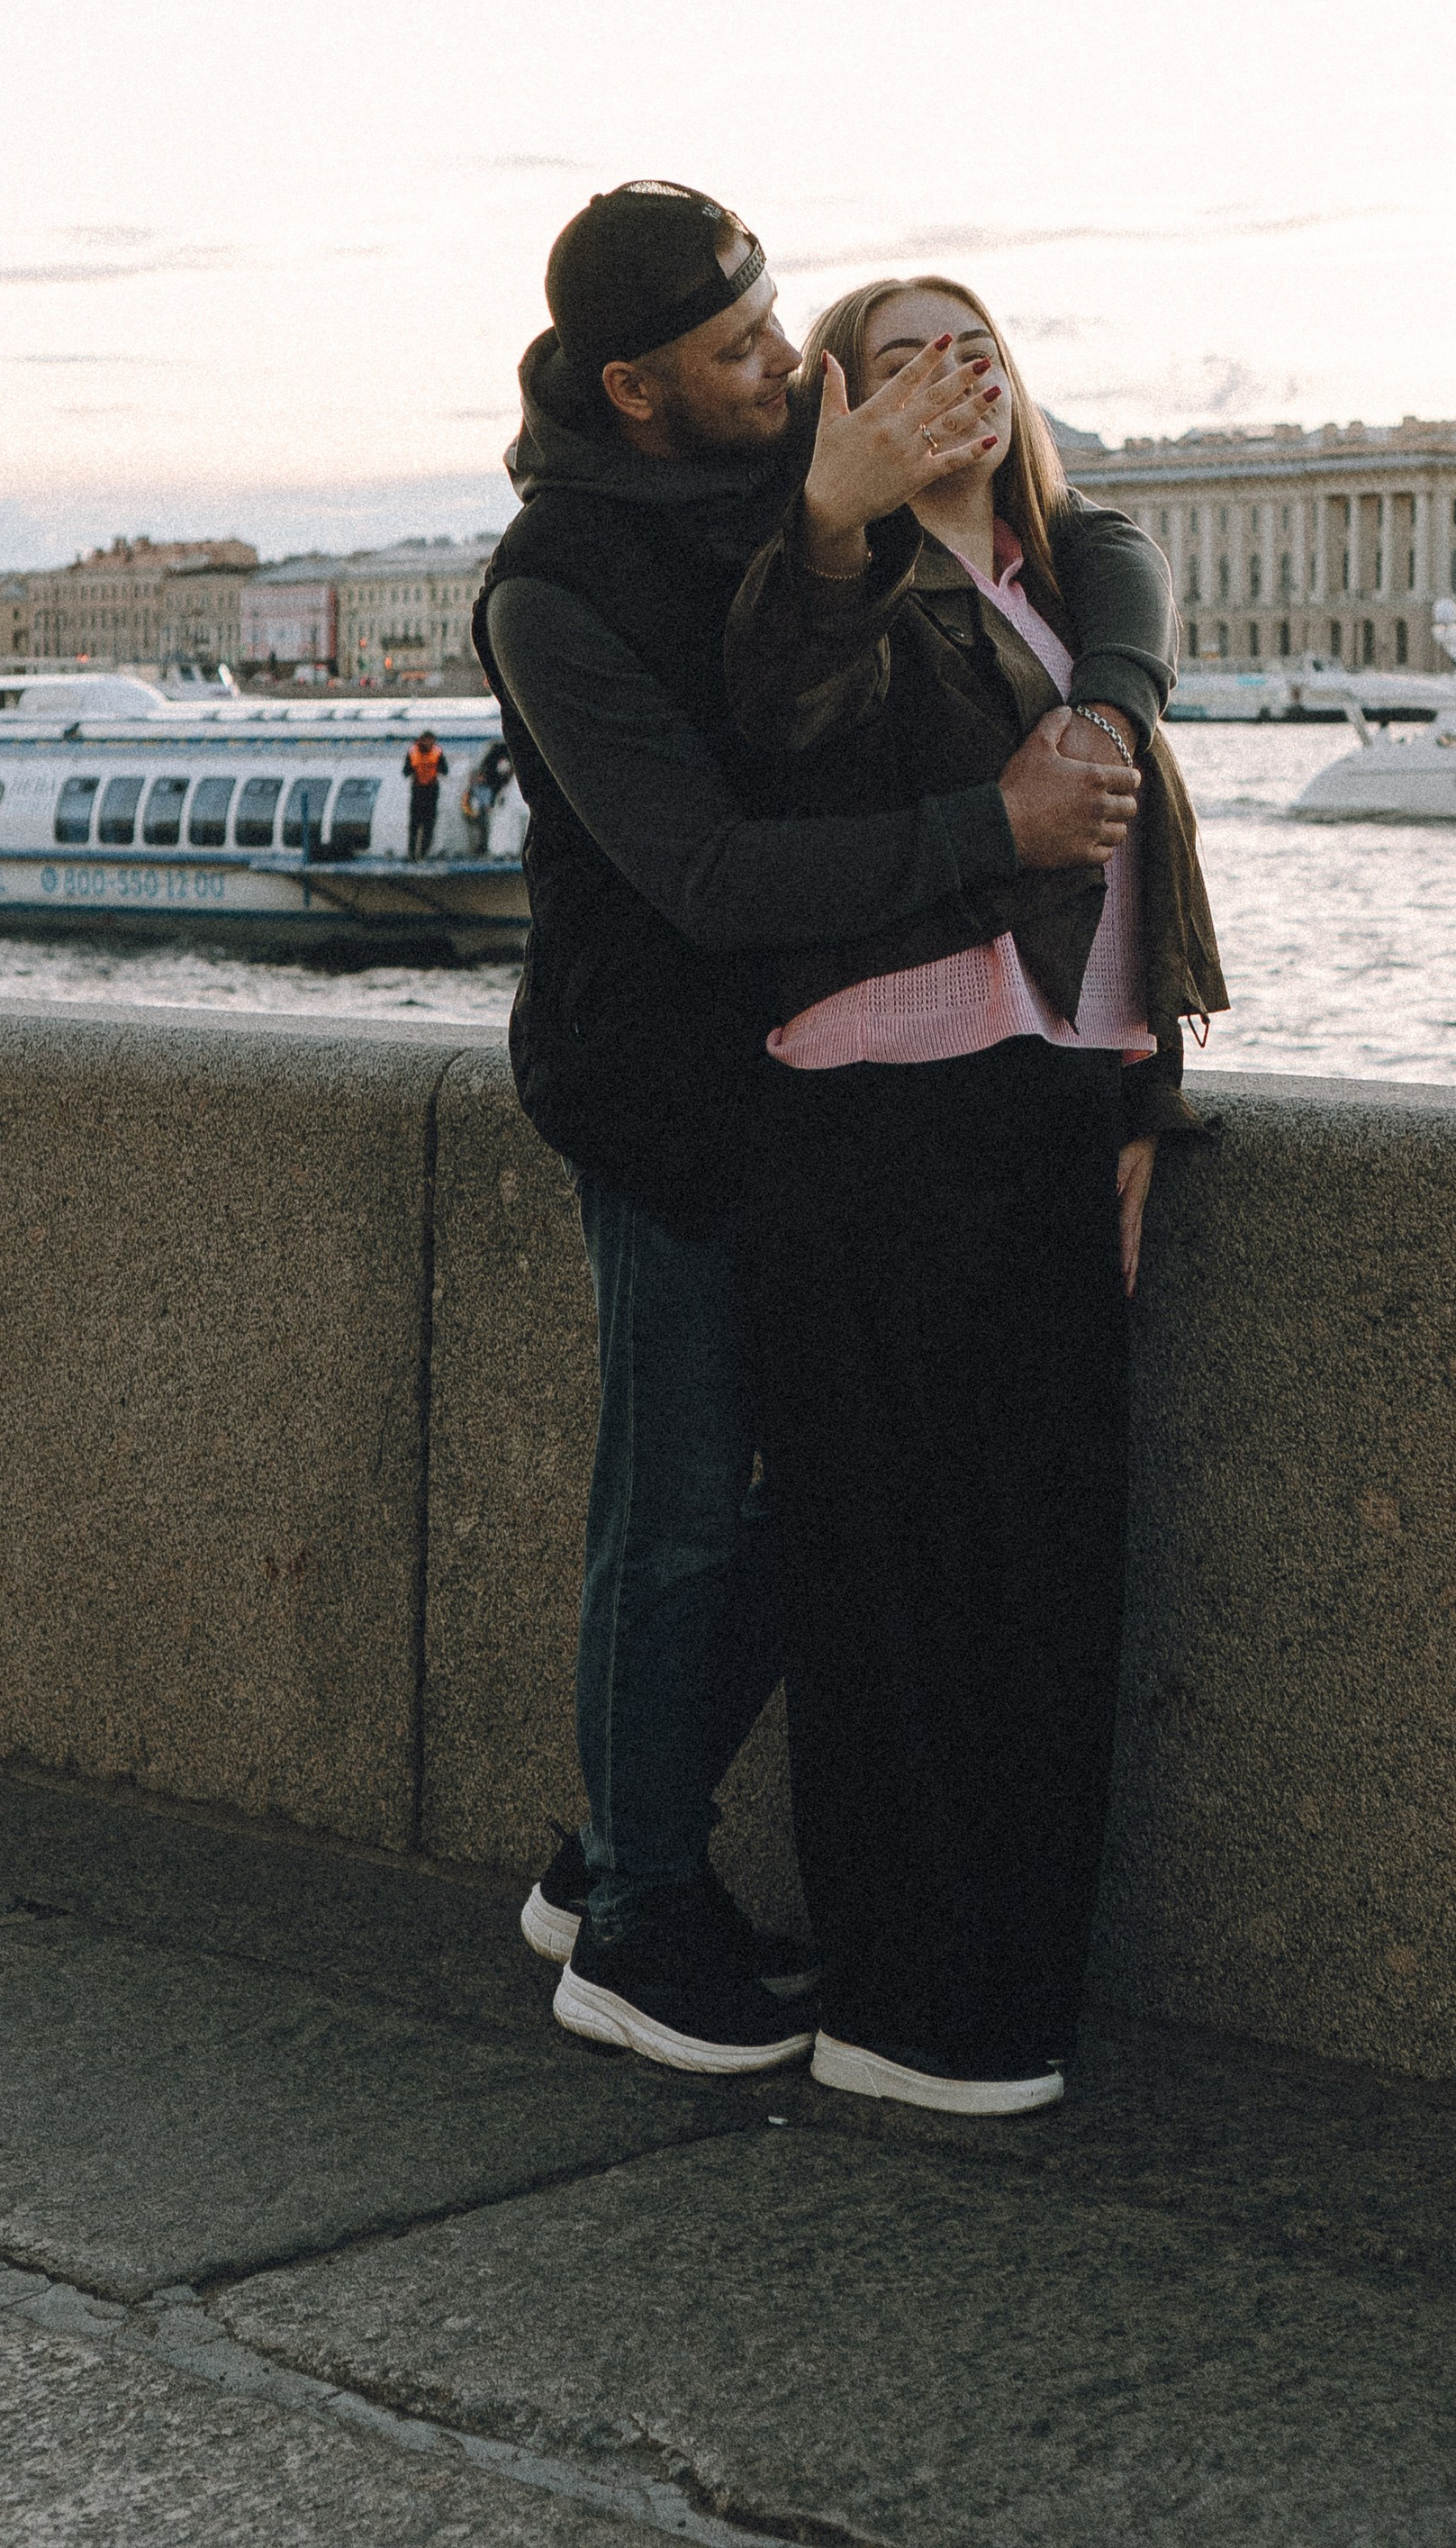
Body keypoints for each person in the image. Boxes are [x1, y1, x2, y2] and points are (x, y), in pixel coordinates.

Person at [472, 182, 1176, 2078]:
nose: (784, 370)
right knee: (688, 1508)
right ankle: (633, 1922)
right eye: (738, 354)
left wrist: (1098, 706)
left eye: (781, 329)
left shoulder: (781, 430)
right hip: (673, 1085)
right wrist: (1001, 835)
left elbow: (1084, 524)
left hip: (830, 1082)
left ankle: (606, 1845)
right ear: (634, 389)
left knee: (822, 1506)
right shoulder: (551, 586)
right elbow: (705, 867)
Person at [722, 272, 1225, 2117]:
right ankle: (902, 1994)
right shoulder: (815, 584)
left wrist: (1134, 1110)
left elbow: (1118, 879)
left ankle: (999, 1994)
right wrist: (837, 511)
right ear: (839, 396)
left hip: (1043, 1109)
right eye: (912, 350)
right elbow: (790, 709)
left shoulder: (1061, 580)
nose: (962, 371)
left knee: (1039, 1570)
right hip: (878, 1114)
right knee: (895, 1575)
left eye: (983, 344)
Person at [461, 736, 514, 856]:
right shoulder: (494, 763)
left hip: (493, 793)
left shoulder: (493, 762)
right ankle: (483, 846)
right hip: (490, 794)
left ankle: (485, 846)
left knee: (486, 821)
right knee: (483, 821)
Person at [403, 730, 445, 857]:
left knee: (429, 824)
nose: (429, 743)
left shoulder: (437, 752)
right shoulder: (412, 752)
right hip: (418, 790)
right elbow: (406, 771)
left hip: (431, 790)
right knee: (414, 824)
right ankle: (411, 854)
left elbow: (444, 769)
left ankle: (423, 853)